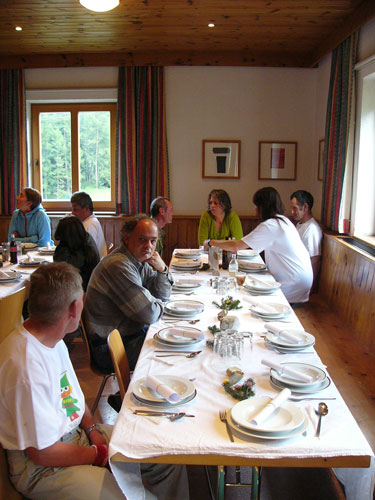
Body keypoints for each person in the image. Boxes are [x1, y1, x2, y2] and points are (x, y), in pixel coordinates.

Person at [0, 262, 188, 500]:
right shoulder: (24, 367)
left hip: (74, 436)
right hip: (43, 469)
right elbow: (42, 453)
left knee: (166, 456)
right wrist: (97, 455)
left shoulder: (51, 337)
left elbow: (72, 398)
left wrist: (92, 429)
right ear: (74, 308)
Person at [83, 214, 173, 372]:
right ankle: (138, 395)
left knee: (174, 342)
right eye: (142, 239)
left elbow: (162, 294)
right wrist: (161, 304)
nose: (148, 246)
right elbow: (150, 314)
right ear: (126, 238)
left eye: (153, 241)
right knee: (171, 354)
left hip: (129, 336)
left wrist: (162, 270)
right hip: (109, 349)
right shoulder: (118, 265)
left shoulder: (138, 261)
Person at [204, 187, 313, 303]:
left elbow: (236, 245)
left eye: (256, 205)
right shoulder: (283, 221)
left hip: (293, 284)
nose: (254, 209)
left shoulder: (270, 226)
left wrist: (211, 242)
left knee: (244, 295)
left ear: (263, 207)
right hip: (302, 281)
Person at [53, 215, 100, 291]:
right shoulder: (85, 238)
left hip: (80, 290)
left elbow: (61, 267)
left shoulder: (81, 251)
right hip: (89, 286)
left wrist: (62, 246)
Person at [290, 190, 323, 286]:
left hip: (301, 281)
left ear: (305, 207)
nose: (292, 212)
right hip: (293, 273)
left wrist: (310, 287)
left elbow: (315, 260)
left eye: (295, 208)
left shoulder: (311, 229)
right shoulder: (300, 224)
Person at [71, 191, 107, 258]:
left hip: (93, 266)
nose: (72, 213)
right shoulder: (90, 221)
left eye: (75, 209)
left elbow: (88, 254)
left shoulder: (90, 225)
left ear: (86, 208)